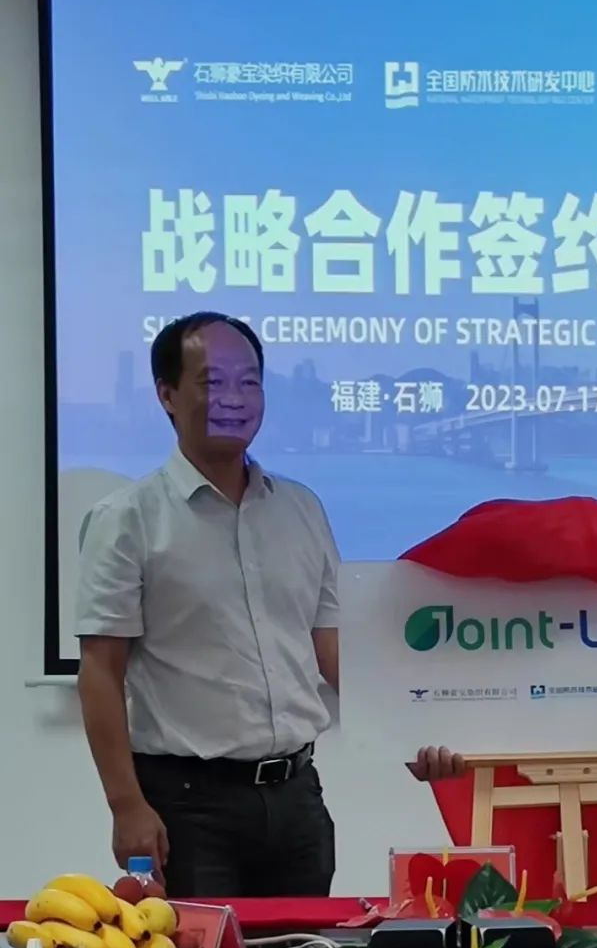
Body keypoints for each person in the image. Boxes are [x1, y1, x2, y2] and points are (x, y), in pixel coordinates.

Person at [75, 312, 465, 897]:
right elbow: (101, 673)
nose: (234, 399)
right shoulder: (126, 520)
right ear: (167, 395)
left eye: (249, 381)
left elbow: (332, 649)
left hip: (297, 799)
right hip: (187, 807)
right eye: (212, 382)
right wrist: (126, 806)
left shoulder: (301, 509)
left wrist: (405, 735)